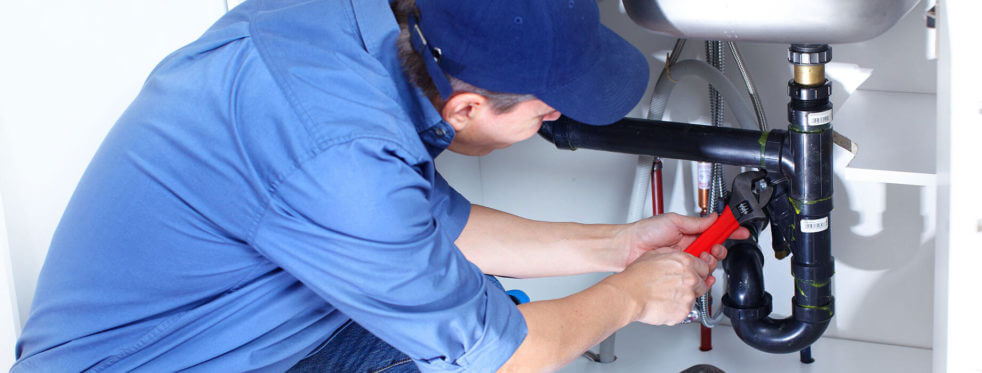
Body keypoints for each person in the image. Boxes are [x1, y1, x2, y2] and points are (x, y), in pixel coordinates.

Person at [13, 0, 746, 371]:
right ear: (465, 107)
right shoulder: (341, 159)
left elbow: (434, 226)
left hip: (246, 340)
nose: (554, 119)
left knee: (475, 318)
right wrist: (635, 295)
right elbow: (510, 357)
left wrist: (620, 248)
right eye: (543, 110)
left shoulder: (364, 32)